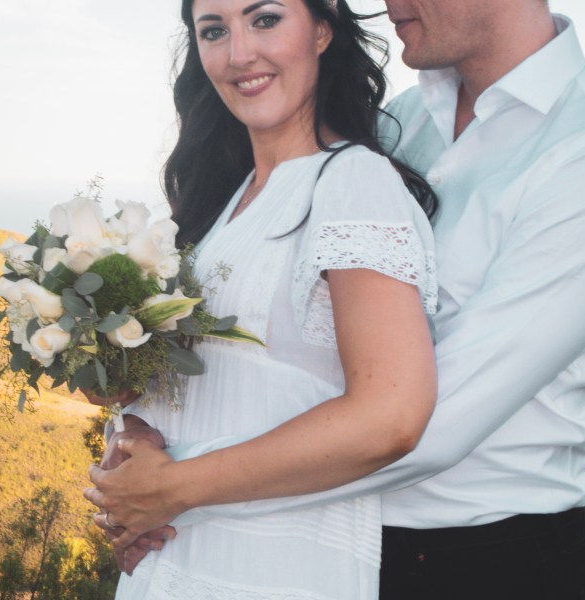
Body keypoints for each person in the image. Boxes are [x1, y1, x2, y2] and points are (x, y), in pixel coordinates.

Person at [86, 0, 585, 598]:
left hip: (482, 559)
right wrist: (150, 450)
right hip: (318, 543)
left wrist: (180, 487)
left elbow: (420, 423)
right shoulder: (403, 119)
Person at [83, 0, 439, 597]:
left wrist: (174, 487)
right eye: (214, 31)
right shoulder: (228, 200)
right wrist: (138, 438)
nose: (239, 52)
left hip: (275, 570)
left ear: (323, 30)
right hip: (179, 561)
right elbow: (220, 387)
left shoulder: (352, 183)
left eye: (265, 19)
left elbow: (392, 417)